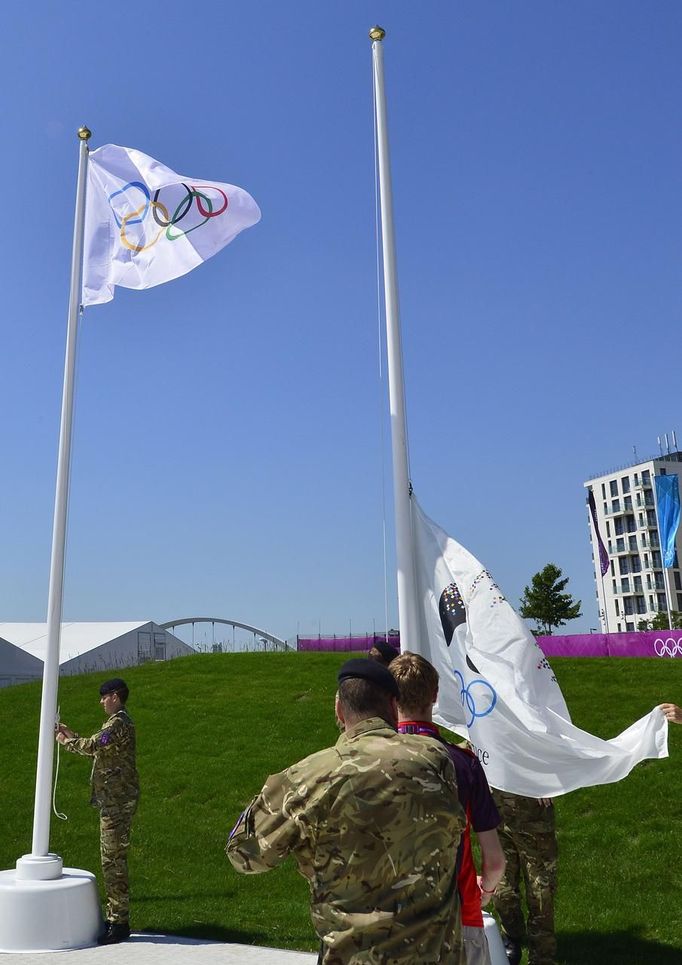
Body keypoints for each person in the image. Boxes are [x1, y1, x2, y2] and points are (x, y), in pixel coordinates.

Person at [226, 658, 466, 963]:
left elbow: (243, 855)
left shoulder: (309, 776)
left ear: (339, 709)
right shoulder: (435, 758)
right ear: (394, 707)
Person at [390, 651, 505, 965]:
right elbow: (494, 860)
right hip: (457, 916)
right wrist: (487, 890)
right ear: (435, 696)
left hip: (390, 922)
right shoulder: (464, 763)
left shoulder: (372, 761)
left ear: (390, 699)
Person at [56, 677, 139, 945]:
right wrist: (73, 736)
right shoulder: (117, 724)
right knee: (111, 860)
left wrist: (63, 740)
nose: (101, 701)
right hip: (114, 801)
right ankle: (116, 918)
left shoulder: (118, 723)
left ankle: (119, 923)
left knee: (113, 861)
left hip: (117, 802)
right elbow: (97, 748)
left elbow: (94, 745)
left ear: (115, 696)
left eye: (104, 697)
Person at [491, 791, 557, 965]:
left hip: (534, 817)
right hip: (498, 812)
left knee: (540, 892)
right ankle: (512, 935)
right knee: (501, 891)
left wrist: (548, 782)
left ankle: (542, 955)